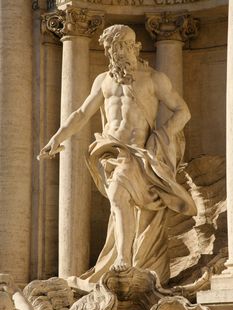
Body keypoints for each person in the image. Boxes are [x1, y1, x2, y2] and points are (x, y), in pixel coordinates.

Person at [39, 25, 196, 291]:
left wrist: (162, 135)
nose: (116, 53)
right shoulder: (103, 81)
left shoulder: (154, 79)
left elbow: (183, 111)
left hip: (137, 152)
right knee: (118, 204)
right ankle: (122, 256)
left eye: (121, 47)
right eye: (112, 48)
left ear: (134, 48)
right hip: (108, 150)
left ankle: (124, 258)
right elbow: (81, 113)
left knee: (118, 197)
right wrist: (56, 139)